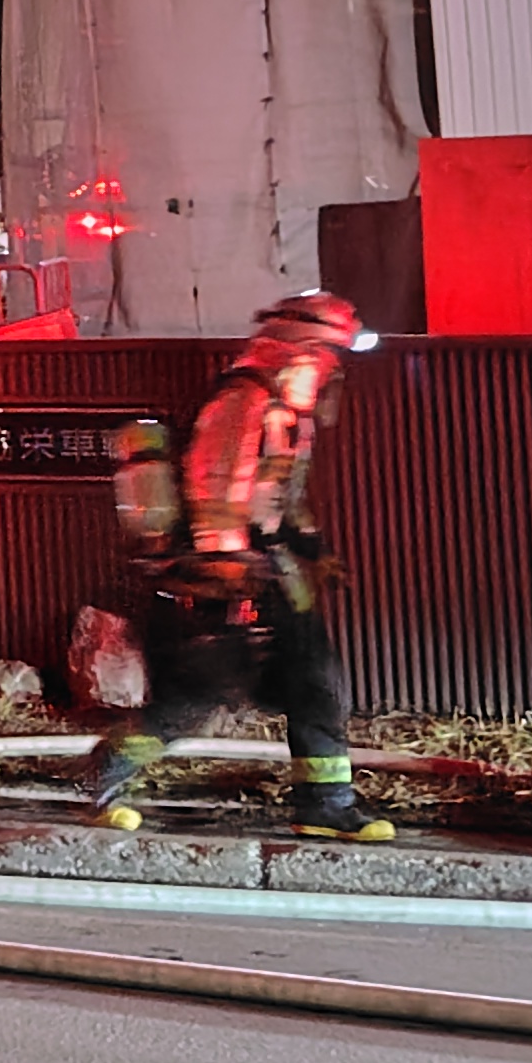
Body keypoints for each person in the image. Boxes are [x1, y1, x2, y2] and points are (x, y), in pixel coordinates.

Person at [91, 291, 390, 842]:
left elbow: (282, 495)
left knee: (317, 685)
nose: (332, 369)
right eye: (329, 355)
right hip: (226, 576)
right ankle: (107, 772)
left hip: (271, 572)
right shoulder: (243, 401)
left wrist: (314, 550)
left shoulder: (287, 413)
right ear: (300, 351)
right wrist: (226, 568)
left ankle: (326, 804)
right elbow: (217, 486)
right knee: (196, 698)